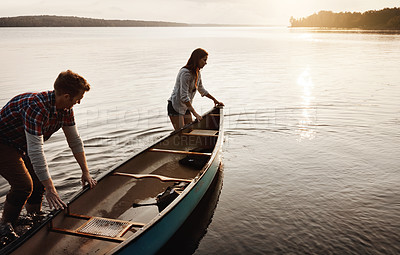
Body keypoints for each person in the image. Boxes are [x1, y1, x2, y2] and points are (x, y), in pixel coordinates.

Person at [0, 70, 97, 240]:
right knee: (24, 185)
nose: (79, 102)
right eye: (78, 98)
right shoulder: (35, 107)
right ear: (66, 96)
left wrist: (85, 171)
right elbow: (36, 151)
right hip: (3, 143)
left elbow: (74, 140)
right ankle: (5, 228)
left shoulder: (65, 109)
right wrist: (52, 189)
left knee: (39, 183)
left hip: (21, 144)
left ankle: (34, 220)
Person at [167, 48, 224, 130]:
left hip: (186, 107)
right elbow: (184, 96)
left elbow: (202, 90)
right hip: (175, 107)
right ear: (197, 59)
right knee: (182, 133)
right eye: (204, 60)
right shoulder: (185, 73)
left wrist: (215, 100)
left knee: (190, 130)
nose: (206, 63)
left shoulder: (197, 73)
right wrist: (195, 113)